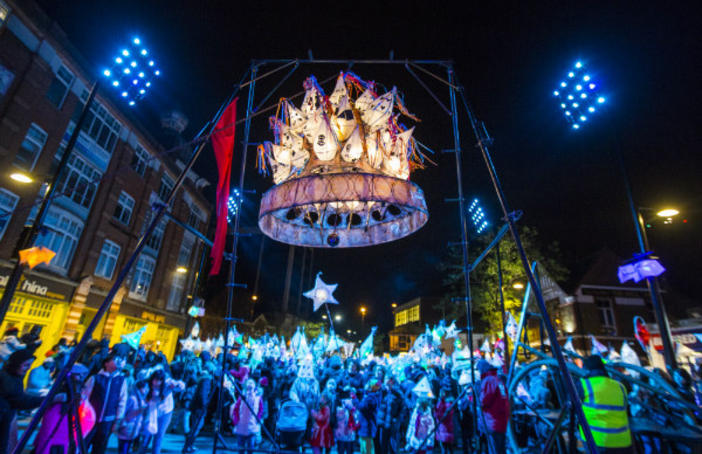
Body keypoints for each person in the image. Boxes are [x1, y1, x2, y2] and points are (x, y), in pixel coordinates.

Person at [0, 349, 62, 454]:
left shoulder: (14, 377)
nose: (28, 368)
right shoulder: (7, 379)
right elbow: (20, 401)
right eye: (26, 365)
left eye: (29, 365)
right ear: (16, 364)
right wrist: (49, 399)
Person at [33, 364, 96, 454]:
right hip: (59, 415)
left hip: (66, 418)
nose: (81, 377)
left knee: (60, 442)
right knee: (51, 441)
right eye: (79, 375)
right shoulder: (61, 389)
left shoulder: (75, 389)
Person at [577, 355, 633, 454]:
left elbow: (571, 407)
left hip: (597, 440)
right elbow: (627, 411)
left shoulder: (584, 384)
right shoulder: (620, 386)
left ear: (586, 369)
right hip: (623, 441)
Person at [86, 352, 128, 454]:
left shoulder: (121, 380)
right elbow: (85, 397)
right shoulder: (95, 378)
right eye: (114, 360)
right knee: (84, 444)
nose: (117, 362)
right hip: (90, 419)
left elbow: (122, 401)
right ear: (106, 363)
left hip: (108, 421)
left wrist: (118, 420)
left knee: (100, 448)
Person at [477, 359, 509, 454]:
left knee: (494, 449)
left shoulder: (488, 381)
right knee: (501, 448)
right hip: (501, 419)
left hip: (492, 421)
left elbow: (483, 401)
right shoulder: (498, 379)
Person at [183, 361, 215, 453]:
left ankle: (189, 445)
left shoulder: (202, 378)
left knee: (195, 426)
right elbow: (202, 394)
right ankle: (188, 446)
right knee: (196, 426)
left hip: (196, 406)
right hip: (199, 407)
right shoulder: (206, 380)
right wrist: (205, 405)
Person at [230, 378, 263, 454]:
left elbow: (261, 409)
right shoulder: (242, 396)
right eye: (249, 383)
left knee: (250, 447)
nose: (250, 384)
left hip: (252, 426)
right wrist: (236, 421)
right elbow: (236, 409)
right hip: (241, 425)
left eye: (252, 382)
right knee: (240, 448)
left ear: (255, 385)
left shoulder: (258, 397)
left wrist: (257, 419)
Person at [116, 379, 149, 454]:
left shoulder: (141, 399)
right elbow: (124, 411)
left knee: (127, 447)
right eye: (144, 388)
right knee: (123, 447)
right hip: (127, 426)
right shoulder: (133, 398)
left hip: (133, 427)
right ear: (139, 388)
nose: (146, 390)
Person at [436, 389, 456, 454]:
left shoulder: (441, 404)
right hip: (448, 429)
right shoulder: (449, 404)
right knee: (450, 448)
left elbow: (440, 416)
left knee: (444, 449)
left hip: (443, 429)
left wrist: (435, 411)